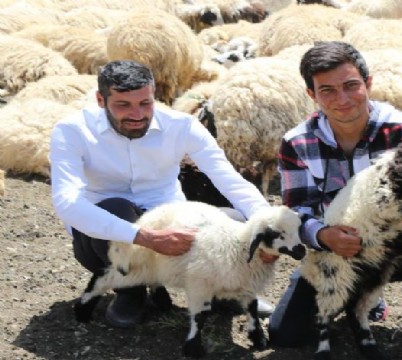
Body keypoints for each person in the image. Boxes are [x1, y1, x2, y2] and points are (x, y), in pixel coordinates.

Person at [267, 41, 402, 360]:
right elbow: (297, 211)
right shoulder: (297, 142)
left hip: (401, 249)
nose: (342, 100)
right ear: (312, 95)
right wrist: (323, 236)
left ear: (368, 83)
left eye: (351, 85)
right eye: (327, 90)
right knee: (286, 333)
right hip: (339, 251)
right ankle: (362, 295)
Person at [49, 60, 275, 329]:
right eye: (123, 105)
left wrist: (268, 228)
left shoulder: (180, 126)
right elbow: (67, 202)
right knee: (114, 207)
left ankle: (223, 291)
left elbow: (230, 181)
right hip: (104, 237)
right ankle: (131, 293)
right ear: (101, 100)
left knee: (237, 220)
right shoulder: (72, 131)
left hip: (172, 222)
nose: (137, 114)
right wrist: (147, 238)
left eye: (145, 103)